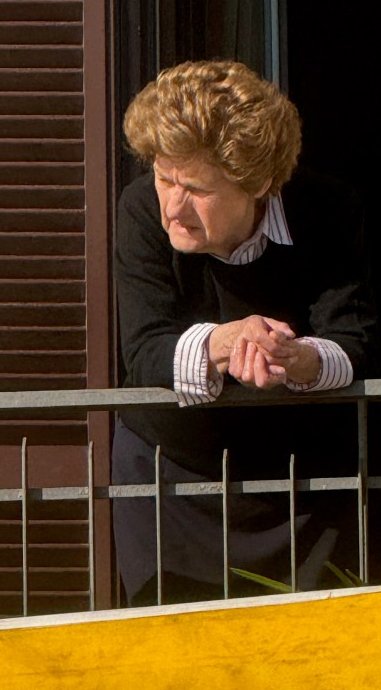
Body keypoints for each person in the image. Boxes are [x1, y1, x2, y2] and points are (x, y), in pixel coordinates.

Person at [114, 59, 377, 605]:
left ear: (256, 182)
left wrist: (297, 358)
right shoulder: (139, 210)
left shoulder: (329, 209)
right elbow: (143, 350)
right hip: (171, 477)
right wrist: (225, 341)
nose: (173, 206)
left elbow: (355, 340)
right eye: (164, 178)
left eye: (195, 187)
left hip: (306, 485)